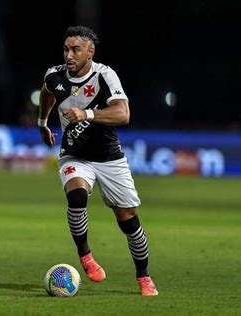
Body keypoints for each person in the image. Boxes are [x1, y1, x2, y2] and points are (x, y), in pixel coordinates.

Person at [37, 25, 158, 296]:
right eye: (66, 48)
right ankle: (86, 256)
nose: (69, 54)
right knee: (77, 196)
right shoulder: (55, 75)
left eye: (75, 49)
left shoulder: (105, 75)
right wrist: (42, 122)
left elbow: (123, 114)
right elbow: (47, 92)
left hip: (108, 158)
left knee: (128, 221)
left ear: (90, 52)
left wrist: (88, 114)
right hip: (74, 154)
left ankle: (143, 276)